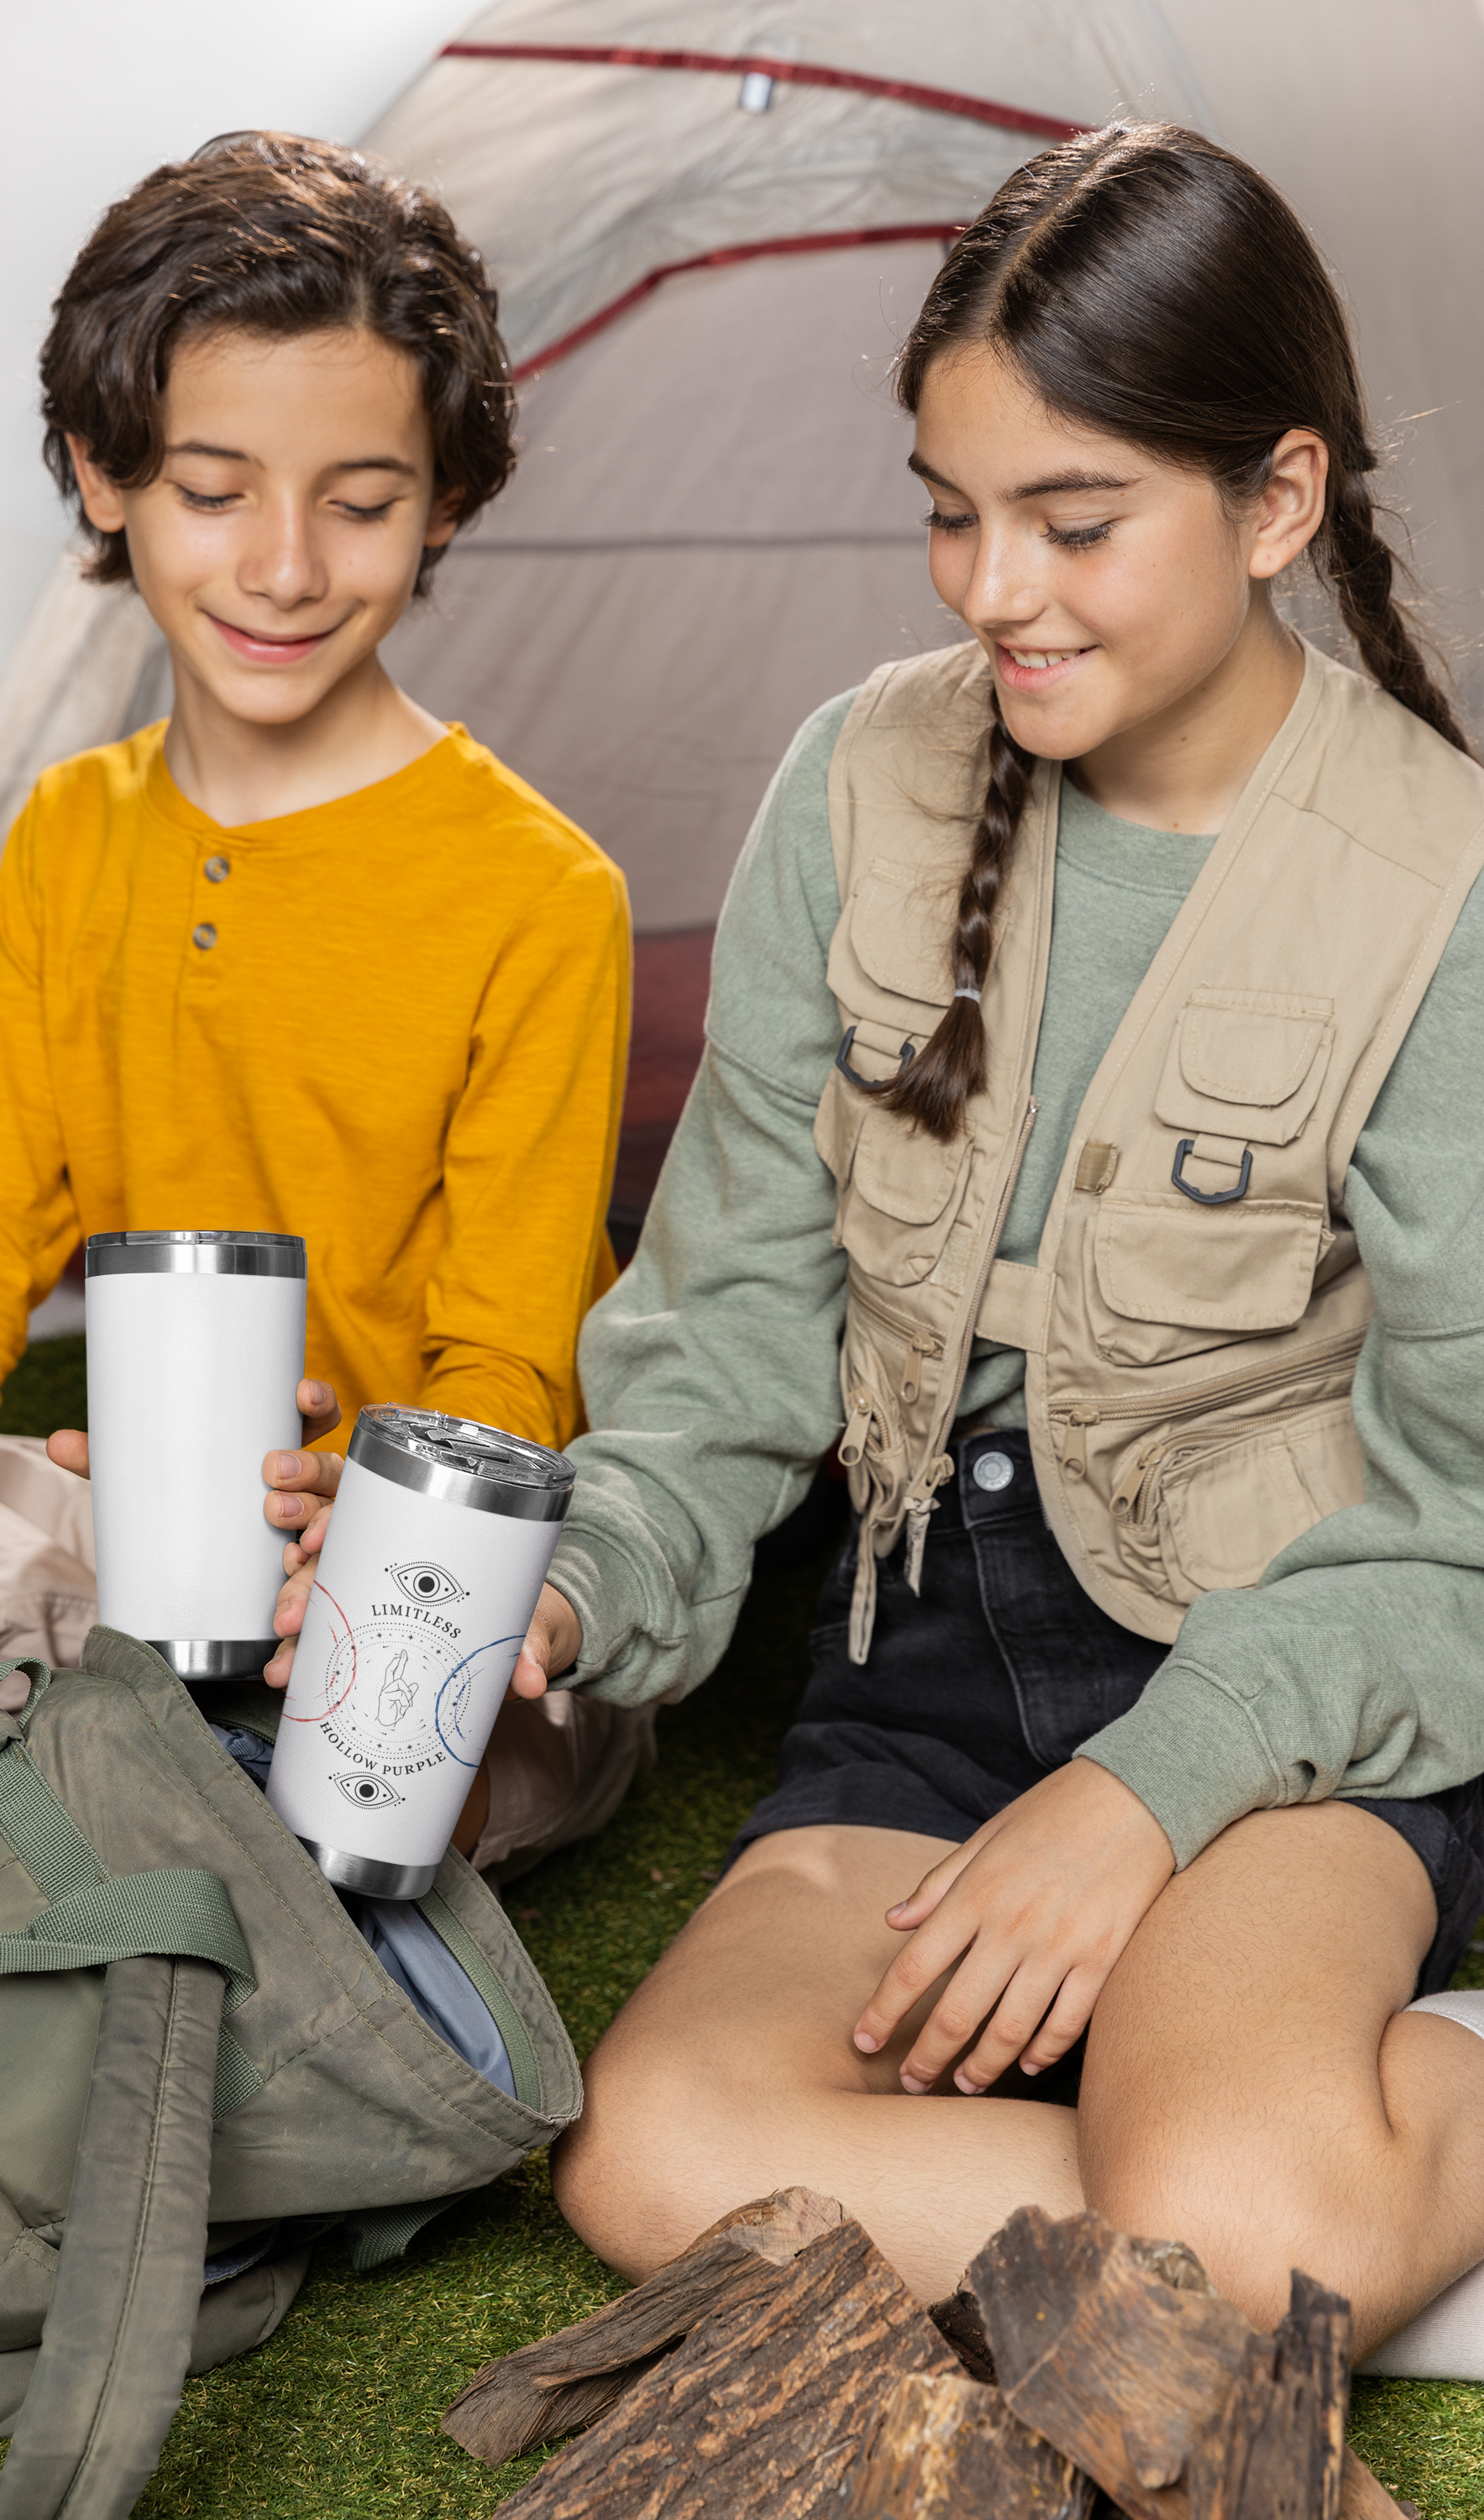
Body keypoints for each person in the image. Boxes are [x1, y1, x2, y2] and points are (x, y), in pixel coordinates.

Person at [279, 119, 1484, 2359]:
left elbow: (1463, 1523)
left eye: (1074, 519)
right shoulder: (858, 784)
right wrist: (577, 1580)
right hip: (921, 1683)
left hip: (1283, 1692)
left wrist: (1147, 1797)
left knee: (1208, 2231)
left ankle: (1324, 2162)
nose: (990, 590)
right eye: (952, 513)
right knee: (653, 2153)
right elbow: (729, 1337)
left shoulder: (1448, 880)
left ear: (1279, 502)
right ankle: (1295, 2218)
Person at [0, 133, 652, 1879]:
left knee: (373, 1772)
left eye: (358, 502)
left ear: (442, 503)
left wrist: (368, 1527)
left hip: (427, 1555)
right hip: (145, 1527)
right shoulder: (72, 836)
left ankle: (188, 1778)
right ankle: (84, 1723)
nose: (284, 566)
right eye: (212, 489)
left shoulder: (539, 893)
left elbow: (506, 1368)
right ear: (100, 477)